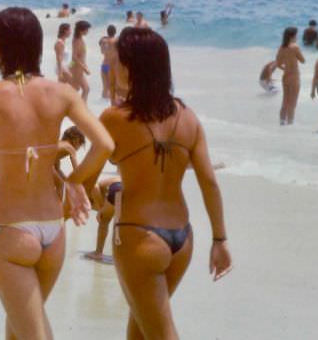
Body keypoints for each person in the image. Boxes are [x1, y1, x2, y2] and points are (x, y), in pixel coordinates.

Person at [0, 7, 114, 339]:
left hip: (9, 229)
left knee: (32, 334)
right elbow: (104, 144)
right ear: (37, 46)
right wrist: (74, 182)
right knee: (19, 331)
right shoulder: (63, 93)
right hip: (53, 230)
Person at [69, 27, 231, 339]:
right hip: (182, 240)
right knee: (141, 331)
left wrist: (71, 190)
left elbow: (87, 181)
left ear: (131, 67)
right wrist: (220, 240)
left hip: (139, 237)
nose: (114, 66)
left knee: (160, 333)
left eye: (118, 61)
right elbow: (209, 182)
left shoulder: (115, 118)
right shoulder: (188, 117)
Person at [83, 175, 122, 264]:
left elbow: (95, 187)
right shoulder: (106, 187)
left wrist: (100, 209)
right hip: (129, 189)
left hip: (117, 188)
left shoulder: (89, 189)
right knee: (122, 224)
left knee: (104, 220)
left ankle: (98, 252)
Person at [275, 27, 305, 125]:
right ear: (293, 36)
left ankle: (282, 122)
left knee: (285, 102)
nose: (297, 37)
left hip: (285, 76)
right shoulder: (295, 47)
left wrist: (285, 68)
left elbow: (278, 64)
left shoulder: (282, 47)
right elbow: (302, 60)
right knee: (292, 103)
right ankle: (290, 124)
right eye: (296, 35)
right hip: (294, 76)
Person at [71, 21, 92, 102]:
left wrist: (84, 65)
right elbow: (74, 57)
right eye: (86, 30)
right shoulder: (77, 41)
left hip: (77, 67)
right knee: (84, 89)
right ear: (80, 30)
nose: (87, 31)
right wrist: (84, 68)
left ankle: (78, 107)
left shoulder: (79, 39)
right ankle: (81, 107)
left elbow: (80, 56)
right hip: (77, 68)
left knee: (77, 89)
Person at [99, 25, 117, 99]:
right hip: (112, 66)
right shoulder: (116, 41)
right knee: (112, 87)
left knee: (105, 87)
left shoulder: (103, 41)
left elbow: (102, 52)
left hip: (105, 65)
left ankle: (101, 103)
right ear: (115, 32)